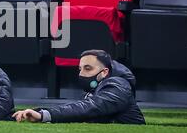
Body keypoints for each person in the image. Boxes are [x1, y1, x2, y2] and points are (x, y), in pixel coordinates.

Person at [13, 50, 146, 125]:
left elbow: (88, 108)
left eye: (88, 68)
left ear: (105, 72)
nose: (81, 74)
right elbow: (80, 108)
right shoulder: (97, 88)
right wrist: (40, 112)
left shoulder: (118, 86)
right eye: (80, 69)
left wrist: (44, 115)